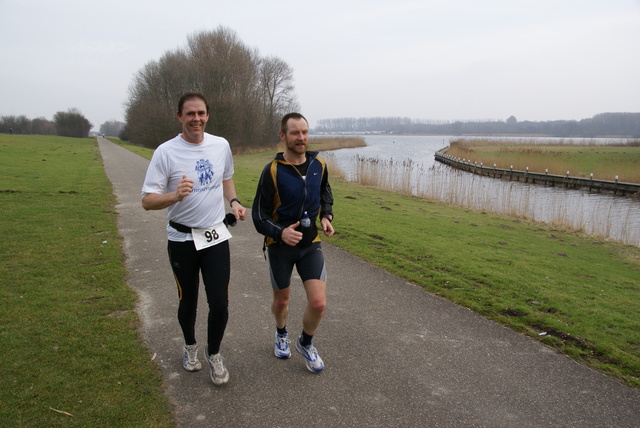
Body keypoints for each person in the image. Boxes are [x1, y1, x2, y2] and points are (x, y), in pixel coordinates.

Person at [141, 92, 247, 385]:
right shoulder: (165, 152)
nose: (196, 119)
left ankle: (214, 354)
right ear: (179, 117)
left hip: (214, 236)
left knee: (220, 303)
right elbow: (147, 201)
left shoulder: (220, 145)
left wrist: (234, 201)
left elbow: (226, 177)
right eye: (190, 114)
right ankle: (190, 347)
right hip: (181, 239)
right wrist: (174, 195)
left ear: (207, 115)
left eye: (201, 113)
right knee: (188, 300)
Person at [252, 112, 334, 373]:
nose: (301, 138)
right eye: (295, 133)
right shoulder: (272, 171)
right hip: (280, 248)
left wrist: (327, 215)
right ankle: (281, 332)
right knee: (282, 302)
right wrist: (280, 233)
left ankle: (305, 343)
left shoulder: (318, 164)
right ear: (283, 136)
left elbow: (324, 191)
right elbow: (259, 216)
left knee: (319, 304)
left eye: (305, 132)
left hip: (311, 245)